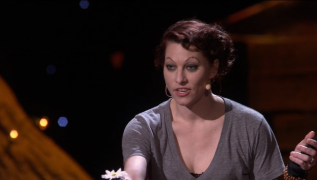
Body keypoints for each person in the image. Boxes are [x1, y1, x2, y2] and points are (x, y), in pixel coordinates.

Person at [122, 19, 316, 180]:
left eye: (191, 67)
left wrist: (295, 172)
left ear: (213, 68)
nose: (179, 79)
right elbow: (133, 171)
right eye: (171, 67)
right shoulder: (144, 127)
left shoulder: (250, 126)